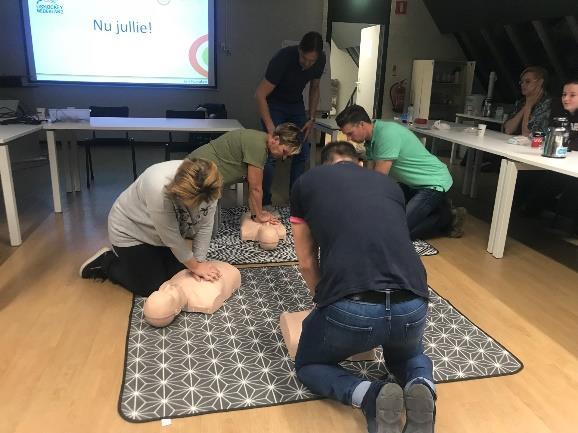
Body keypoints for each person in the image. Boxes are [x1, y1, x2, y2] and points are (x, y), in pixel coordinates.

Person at [291, 141, 436, 433]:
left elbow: (306, 262)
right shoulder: (388, 184)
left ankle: (369, 394)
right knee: (408, 355)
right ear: (358, 163)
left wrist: (325, 300)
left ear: (325, 165)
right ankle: (422, 384)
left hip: (353, 307)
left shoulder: (306, 183)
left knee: (308, 364)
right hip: (413, 301)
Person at [79, 158, 223, 297]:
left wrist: (199, 262)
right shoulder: (157, 186)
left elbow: (204, 225)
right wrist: (196, 267)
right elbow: (171, 237)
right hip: (130, 232)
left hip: (159, 237)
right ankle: (106, 262)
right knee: (152, 287)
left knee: (180, 275)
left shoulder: (210, 184)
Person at [336, 104, 464, 240]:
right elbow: (369, 167)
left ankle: (449, 217)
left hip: (433, 183)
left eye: (350, 133)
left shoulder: (386, 135)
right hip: (412, 184)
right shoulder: (371, 137)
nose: (349, 138)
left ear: (362, 124)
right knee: (388, 216)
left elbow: (378, 182)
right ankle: (438, 207)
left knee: (397, 234)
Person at [255, 31, 326, 206]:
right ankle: (265, 202)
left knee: (302, 152)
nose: (307, 64)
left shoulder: (320, 59)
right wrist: (271, 127)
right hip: (274, 103)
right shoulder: (283, 58)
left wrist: (311, 117)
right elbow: (259, 94)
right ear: (299, 50)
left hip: (296, 104)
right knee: (272, 153)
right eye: (304, 58)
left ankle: (296, 201)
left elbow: (315, 88)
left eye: (312, 61)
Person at [188, 124, 301, 223]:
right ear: (276, 139)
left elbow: (252, 186)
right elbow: (255, 188)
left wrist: (256, 213)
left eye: (288, 156)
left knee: (212, 225)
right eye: (284, 152)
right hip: (196, 176)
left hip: (197, 170)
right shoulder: (258, 147)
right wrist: (259, 216)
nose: (284, 157)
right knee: (204, 231)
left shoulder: (260, 139)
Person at [503, 66, 552, 136]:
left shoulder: (548, 104)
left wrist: (528, 106)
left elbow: (527, 134)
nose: (523, 85)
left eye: (527, 81)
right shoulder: (521, 102)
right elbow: (508, 129)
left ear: (540, 82)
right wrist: (526, 106)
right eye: (521, 82)